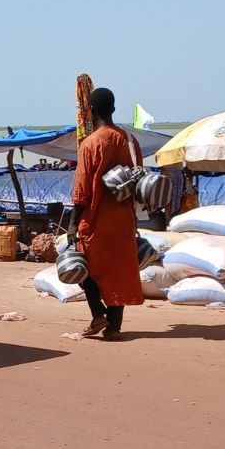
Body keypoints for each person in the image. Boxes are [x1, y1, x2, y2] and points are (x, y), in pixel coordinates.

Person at [68, 88, 143, 341]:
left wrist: (71, 224)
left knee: (81, 267)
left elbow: (81, 191)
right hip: (123, 219)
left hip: (96, 220)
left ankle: (98, 311)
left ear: (90, 110)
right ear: (112, 108)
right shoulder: (130, 141)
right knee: (117, 272)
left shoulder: (90, 143)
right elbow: (140, 180)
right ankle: (114, 327)